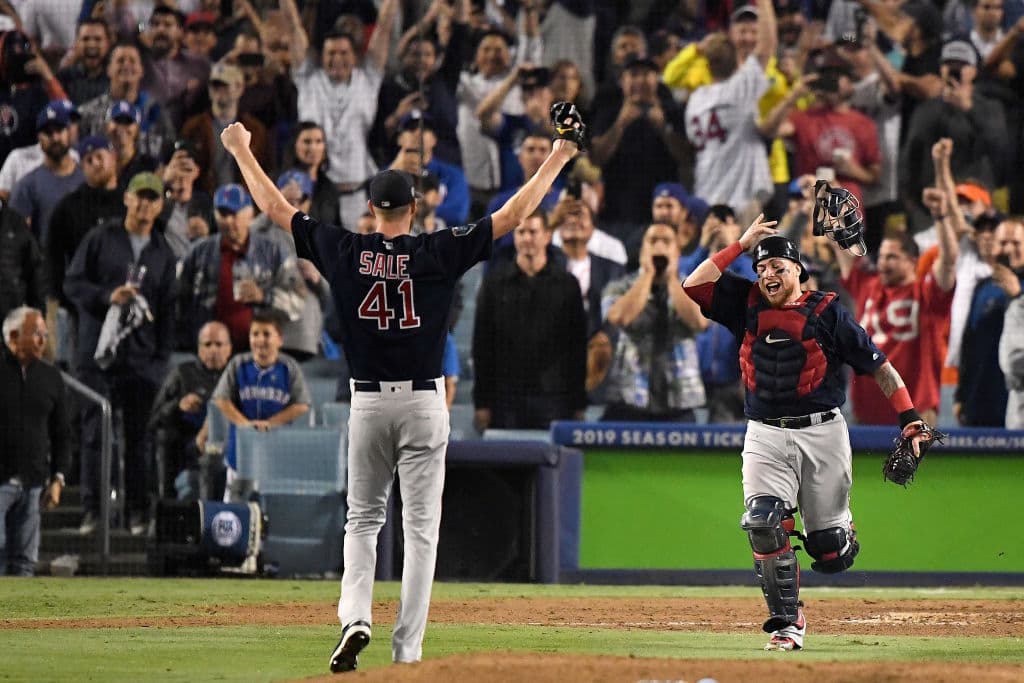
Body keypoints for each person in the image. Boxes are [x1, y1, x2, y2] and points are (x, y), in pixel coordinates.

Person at [218, 94, 581, 671]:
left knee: (362, 520)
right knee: (421, 532)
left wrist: (240, 149)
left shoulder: (346, 250)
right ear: (414, 208)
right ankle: (406, 650)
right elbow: (513, 216)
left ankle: (354, 617)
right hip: (422, 401)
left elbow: (274, 206)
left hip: (366, 404)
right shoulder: (436, 251)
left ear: (370, 208)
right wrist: (559, 157)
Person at [683, 220, 935, 652]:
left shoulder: (829, 312)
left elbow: (879, 367)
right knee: (763, 522)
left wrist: (910, 419)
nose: (767, 275)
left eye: (777, 266)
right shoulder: (744, 302)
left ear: (799, 270)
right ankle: (787, 623)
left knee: (832, 553)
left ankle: (840, 531)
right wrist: (742, 245)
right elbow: (694, 284)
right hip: (764, 433)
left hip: (822, 432)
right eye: (761, 268)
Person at [64, 171, 178, 536]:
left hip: (141, 361)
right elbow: (72, 283)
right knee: (97, 433)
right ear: (126, 198)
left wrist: (160, 363)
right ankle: (95, 513)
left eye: (153, 198)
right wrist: (105, 296)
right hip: (97, 354)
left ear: (160, 205)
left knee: (139, 441)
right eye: (139, 196)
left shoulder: (163, 252)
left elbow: (168, 313)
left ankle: (137, 514)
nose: (145, 204)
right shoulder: (101, 237)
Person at [472, 209, 588, 431]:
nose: (527, 238)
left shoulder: (567, 285)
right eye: (521, 232)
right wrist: (482, 403)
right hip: (504, 399)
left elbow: (577, 348)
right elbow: (482, 347)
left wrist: (578, 403)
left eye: (533, 232)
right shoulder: (494, 284)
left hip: (555, 399)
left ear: (547, 236)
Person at [602, 223, 707, 422]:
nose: (659, 246)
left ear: (677, 252)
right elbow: (619, 318)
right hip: (630, 399)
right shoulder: (619, 286)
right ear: (642, 251)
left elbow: (699, 322)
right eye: (652, 241)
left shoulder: (694, 288)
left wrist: (672, 279)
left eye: (666, 241)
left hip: (679, 402)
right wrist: (648, 274)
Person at [211, 311, 311, 501]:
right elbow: (221, 399)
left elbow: (302, 404)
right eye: (255, 334)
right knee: (235, 503)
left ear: (279, 339)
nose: (260, 339)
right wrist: (245, 426)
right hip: (240, 448)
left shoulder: (289, 367)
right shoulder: (239, 364)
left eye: (266, 334)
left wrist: (271, 423)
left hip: (276, 446)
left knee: (271, 503)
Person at [0, 307, 69, 576]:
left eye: (45, 334)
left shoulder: (50, 377)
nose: (43, 340)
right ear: (14, 336)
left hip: (33, 484)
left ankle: (21, 618)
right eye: (37, 333)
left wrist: (58, 478)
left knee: (25, 561)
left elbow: (62, 434)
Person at [148, 321, 232, 500]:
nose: (213, 350)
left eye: (219, 344)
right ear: (199, 349)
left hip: (228, 445)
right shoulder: (182, 373)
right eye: (207, 344)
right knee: (165, 436)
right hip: (189, 447)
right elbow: (155, 420)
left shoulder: (236, 376)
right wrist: (178, 405)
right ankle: (165, 508)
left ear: (229, 349)